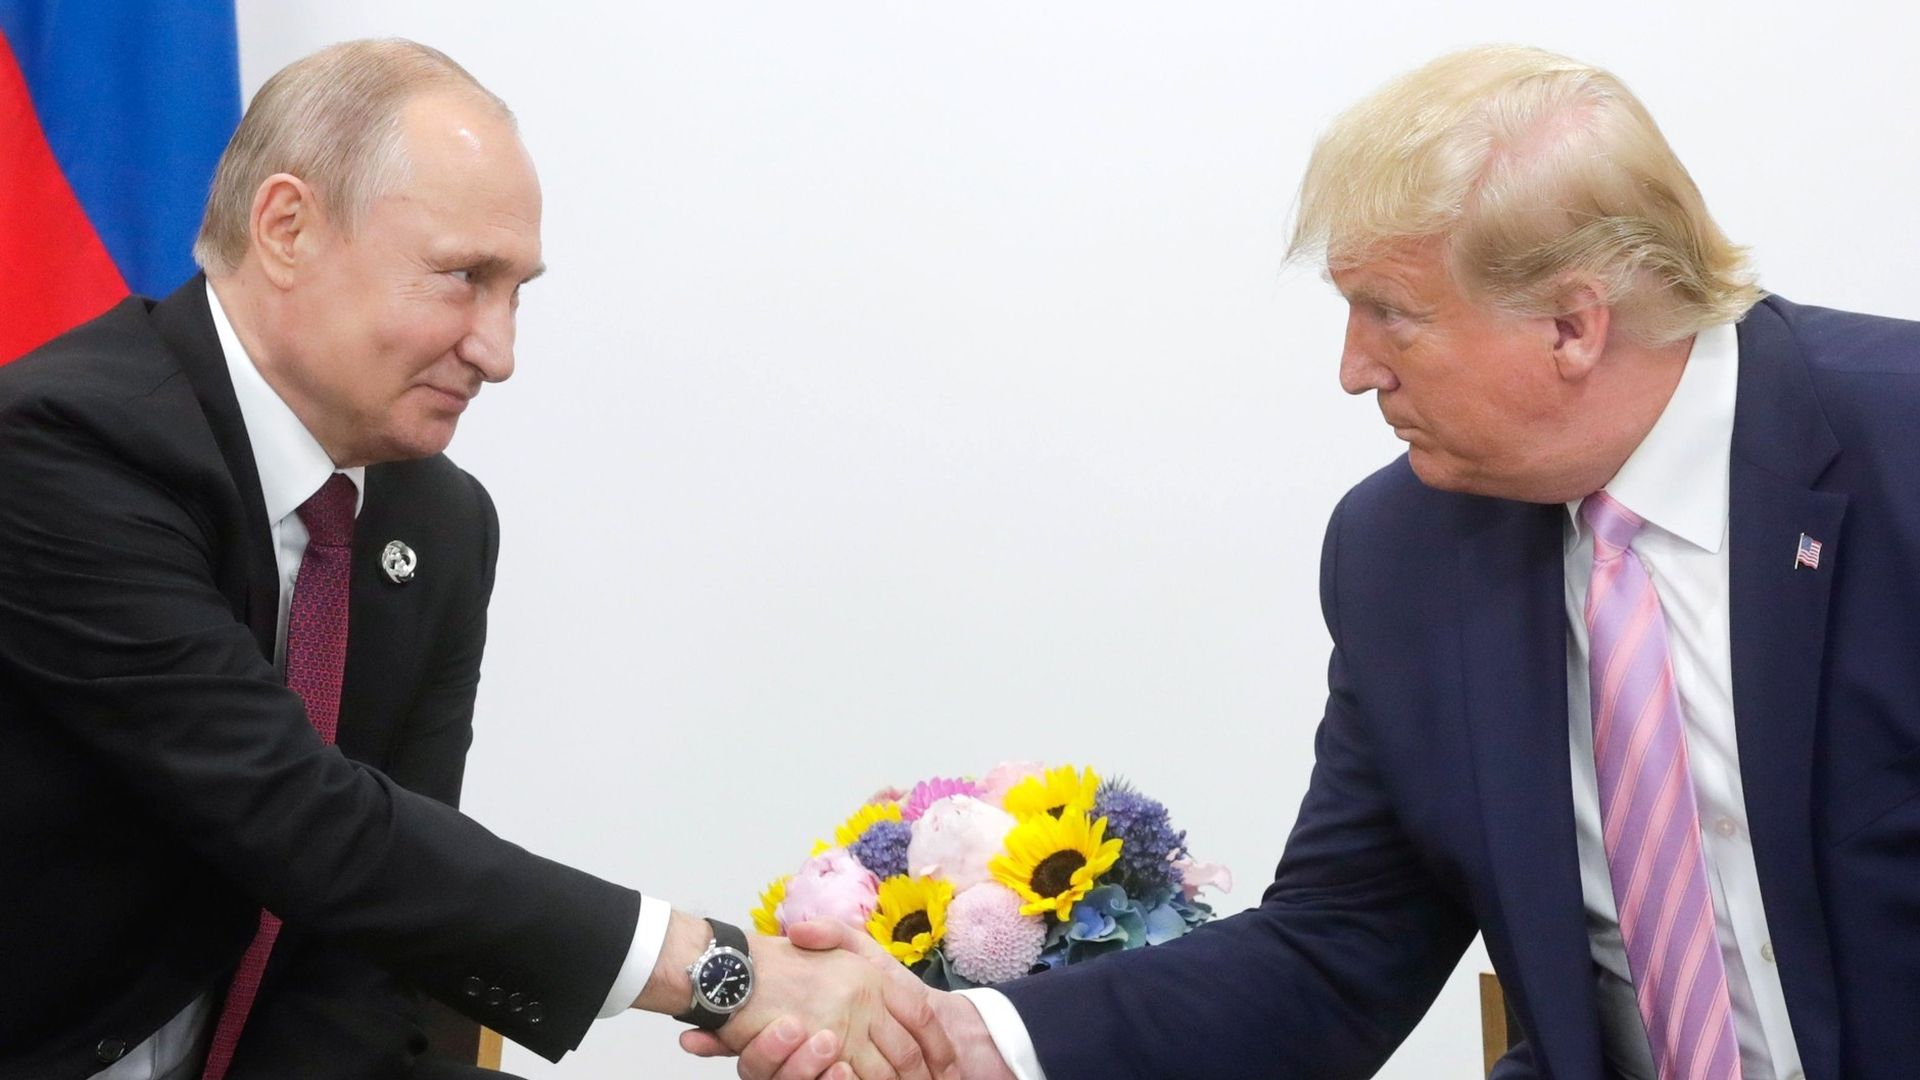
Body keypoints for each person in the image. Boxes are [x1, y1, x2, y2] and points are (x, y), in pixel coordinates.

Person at [723, 44, 1920, 1080]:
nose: (1355, 369)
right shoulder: (1406, 551)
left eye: (1391, 314)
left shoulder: (1897, 447)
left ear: (1572, 323)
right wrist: (970, 1039)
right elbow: (1339, 946)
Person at [0, 39, 951, 1080]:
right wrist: (719, 969)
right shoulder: (60, 443)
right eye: (462, 278)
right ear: (286, 227)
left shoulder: (439, 520)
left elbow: (371, 932)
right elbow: (298, 816)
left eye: (516, 292)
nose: (498, 352)